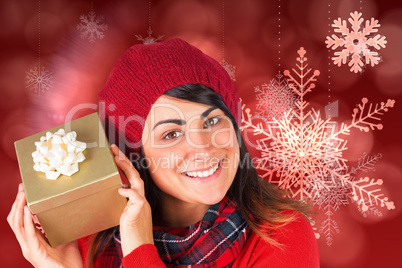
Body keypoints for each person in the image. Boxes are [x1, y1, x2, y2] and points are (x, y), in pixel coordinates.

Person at [8, 38, 319, 267]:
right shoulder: (91, 244)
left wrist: (140, 249)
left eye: (211, 121)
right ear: (132, 156)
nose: (203, 147)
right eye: (171, 133)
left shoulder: (283, 235)